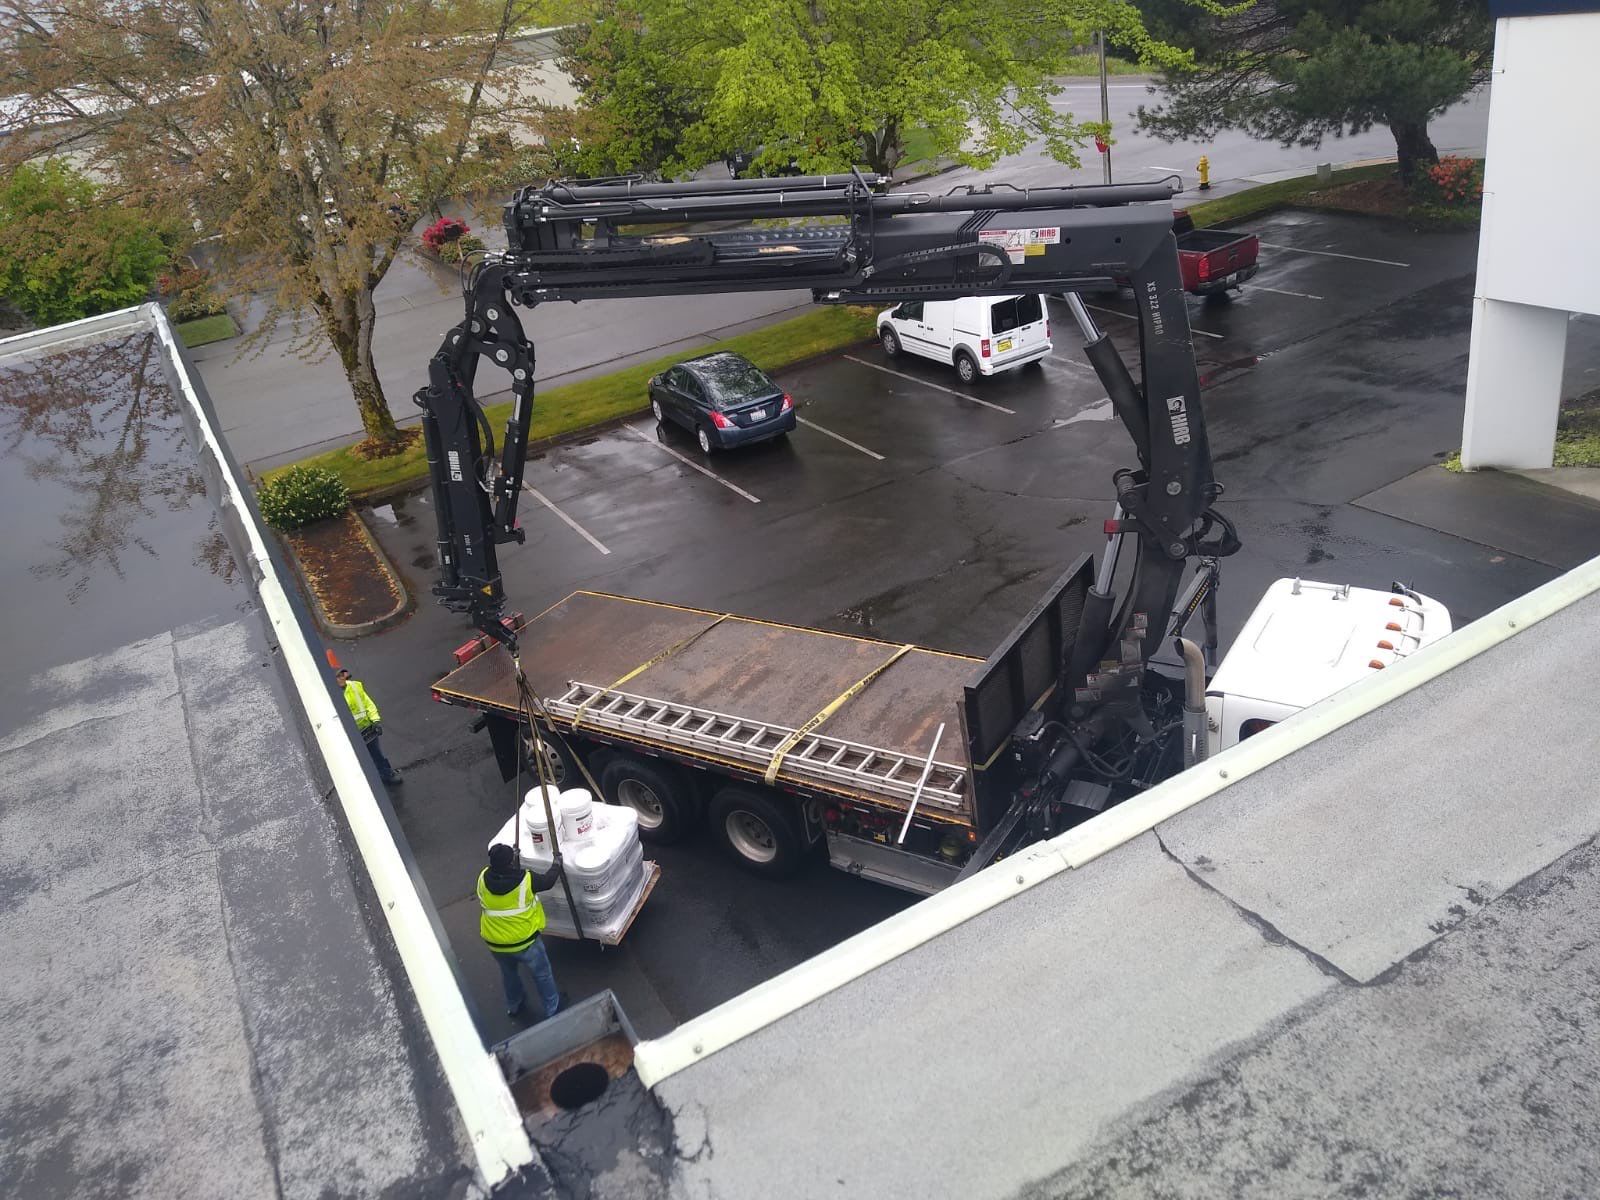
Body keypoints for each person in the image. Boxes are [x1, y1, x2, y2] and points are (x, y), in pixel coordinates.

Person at [479, 843, 564, 1021]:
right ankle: (552, 1008)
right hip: (524, 942)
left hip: (496, 944)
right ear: (510, 863)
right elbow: (548, 881)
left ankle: (514, 1004)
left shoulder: (482, 878)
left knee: (509, 974)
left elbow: (503, 879)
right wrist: (557, 863)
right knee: (542, 974)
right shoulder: (526, 880)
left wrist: (512, 859)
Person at [337, 667, 402, 785]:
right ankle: (368, 783)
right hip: (350, 734)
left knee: (377, 755)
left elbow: (368, 704)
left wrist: (375, 720)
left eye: (342, 675)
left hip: (367, 729)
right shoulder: (332, 695)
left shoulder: (354, 686)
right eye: (338, 676)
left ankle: (387, 775)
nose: (341, 678)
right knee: (359, 760)